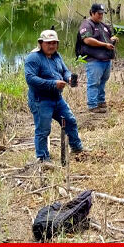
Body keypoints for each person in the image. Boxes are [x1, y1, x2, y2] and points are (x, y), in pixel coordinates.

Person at [24, 29, 83, 162]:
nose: (51, 46)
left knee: (70, 121)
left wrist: (68, 78)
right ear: (40, 43)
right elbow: (31, 79)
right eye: (48, 43)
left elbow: (65, 70)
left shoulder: (57, 56)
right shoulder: (33, 58)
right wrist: (53, 84)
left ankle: (77, 148)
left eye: (54, 43)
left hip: (57, 98)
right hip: (40, 100)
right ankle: (43, 159)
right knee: (43, 130)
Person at [76, 3, 118, 114]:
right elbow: (87, 40)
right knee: (93, 83)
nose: (101, 16)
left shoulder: (103, 25)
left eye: (102, 14)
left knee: (103, 81)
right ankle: (92, 105)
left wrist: (112, 39)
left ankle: (101, 101)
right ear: (92, 13)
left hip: (105, 59)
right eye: (98, 14)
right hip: (94, 59)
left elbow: (108, 37)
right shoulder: (87, 24)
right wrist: (104, 45)